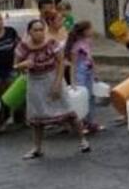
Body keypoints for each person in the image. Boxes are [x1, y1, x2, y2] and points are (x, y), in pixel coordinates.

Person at [14, 19, 87, 159]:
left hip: (52, 77)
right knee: (37, 117)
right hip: (35, 81)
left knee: (68, 111)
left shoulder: (51, 43)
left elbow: (61, 63)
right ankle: (37, 148)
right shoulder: (23, 47)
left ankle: (83, 140)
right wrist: (24, 65)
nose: (39, 33)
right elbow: (15, 66)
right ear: (29, 32)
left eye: (41, 29)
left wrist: (58, 83)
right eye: (35, 30)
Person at [66, 21, 103, 134]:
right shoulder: (76, 45)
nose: (92, 31)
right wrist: (72, 81)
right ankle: (81, 123)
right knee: (82, 98)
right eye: (90, 29)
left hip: (88, 71)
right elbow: (73, 64)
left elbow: (90, 58)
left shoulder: (88, 42)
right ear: (85, 31)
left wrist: (95, 72)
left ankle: (91, 122)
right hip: (80, 73)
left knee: (91, 96)